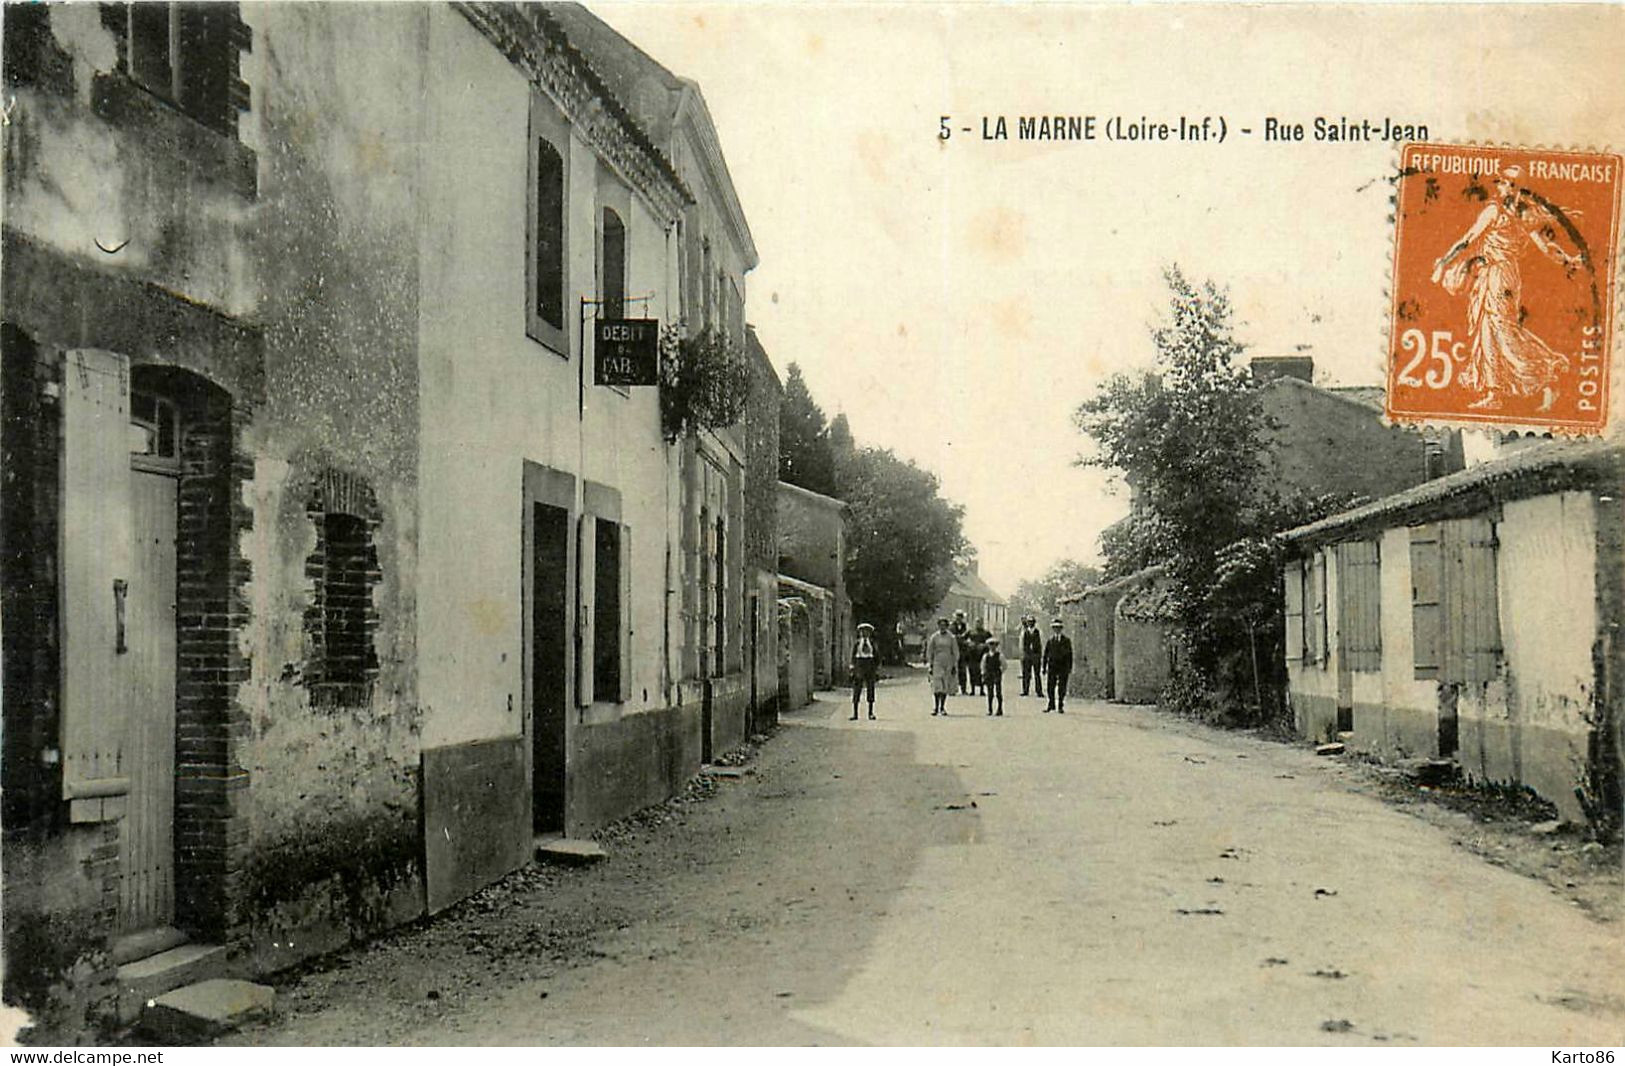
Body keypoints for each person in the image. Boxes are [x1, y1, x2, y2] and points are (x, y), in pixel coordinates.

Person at [1431, 165, 1581, 413]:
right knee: (1490, 331)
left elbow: (1468, 239)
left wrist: (1443, 263)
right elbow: (1547, 247)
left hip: (1498, 275)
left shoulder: (1497, 211)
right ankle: (1495, 391)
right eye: (1501, 183)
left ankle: (1548, 369)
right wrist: (1567, 260)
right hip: (1502, 275)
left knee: (1500, 331)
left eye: (1507, 183)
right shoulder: (1522, 214)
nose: (1503, 188)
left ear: (1515, 187)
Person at [924, 617, 959, 717]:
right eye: (940, 625)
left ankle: (942, 707)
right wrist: (930, 664)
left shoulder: (951, 637)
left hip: (948, 662)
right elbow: (930, 650)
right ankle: (935, 707)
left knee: (945, 685)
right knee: (936, 685)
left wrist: (954, 665)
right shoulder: (934, 637)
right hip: (937, 662)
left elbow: (955, 651)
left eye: (944, 625)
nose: (942, 627)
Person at [850, 622, 879, 721]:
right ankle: (855, 713)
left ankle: (870, 713)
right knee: (857, 690)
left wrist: (875, 668)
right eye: (862, 631)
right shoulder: (857, 643)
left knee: (870, 689)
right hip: (859, 665)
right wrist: (852, 667)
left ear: (870, 633)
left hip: (869, 665)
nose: (864, 633)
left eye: (866, 631)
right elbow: (853, 656)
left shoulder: (872, 644)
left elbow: (877, 656)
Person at [1043, 619, 1073, 713]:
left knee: (1062, 687)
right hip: (1052, 666)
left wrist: (1069, 667)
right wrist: (1044, 667)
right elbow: (1046, 655)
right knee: (1050, 686)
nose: (1057, 630)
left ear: (1061, 629)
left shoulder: (1066, 641)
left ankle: (1060, 705)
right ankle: (1051, 704)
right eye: (1055, 628)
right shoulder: (1050, 641)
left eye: (1058, 628)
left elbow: (1069, 655)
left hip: (1063, 667)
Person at [1019, 615, 1045, 698]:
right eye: (1029, 622)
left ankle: (1039, 691)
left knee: (1037, 674)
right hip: (1027, 655)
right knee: (1026, 674)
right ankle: (1025, 690)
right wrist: (1023, 654)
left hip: (1035, 655)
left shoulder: (1038, 632)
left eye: (1032, 622)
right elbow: (1023, 644)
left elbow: (1041, 644)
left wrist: (1039, 655)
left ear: (1034, 623)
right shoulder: (1025, 632)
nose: (1030, 623)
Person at [965, 617, 991, 696]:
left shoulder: (986, 633)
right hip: (972, 655)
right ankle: (972, 690)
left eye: (979, 622)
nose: (978, 624)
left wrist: (984, 645)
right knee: (972, 672)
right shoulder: (970, 632)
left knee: (982, 672)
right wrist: (969, 643)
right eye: (977, 622)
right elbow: (963, 639)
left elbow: (992, 641)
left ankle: (982, 690)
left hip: (982, 656)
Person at [981, 635, 1005, 716]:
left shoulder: (999, 655)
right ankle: (990, 709)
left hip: (996, 674)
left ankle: (1000, 708)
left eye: (994, 644)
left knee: (998, 692)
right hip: (989, 674)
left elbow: (1004, 665)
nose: (992, 646)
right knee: (990, 692)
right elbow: (983, 665)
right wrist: (984, 673)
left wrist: (1000, 671)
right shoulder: (986, 656)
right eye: (991, 644)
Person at [949, 610, 970, 694]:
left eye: (960, 617)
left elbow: (967, 637)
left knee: (963, 670)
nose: (959, 618)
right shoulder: (951, 626)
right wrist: (960, 638)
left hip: (962, 651)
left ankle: (963, 689)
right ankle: (952, 689)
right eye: (958, 616)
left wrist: (963, 639)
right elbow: (952, 637)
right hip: (953, 651)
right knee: (953, 670)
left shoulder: (965, 626)